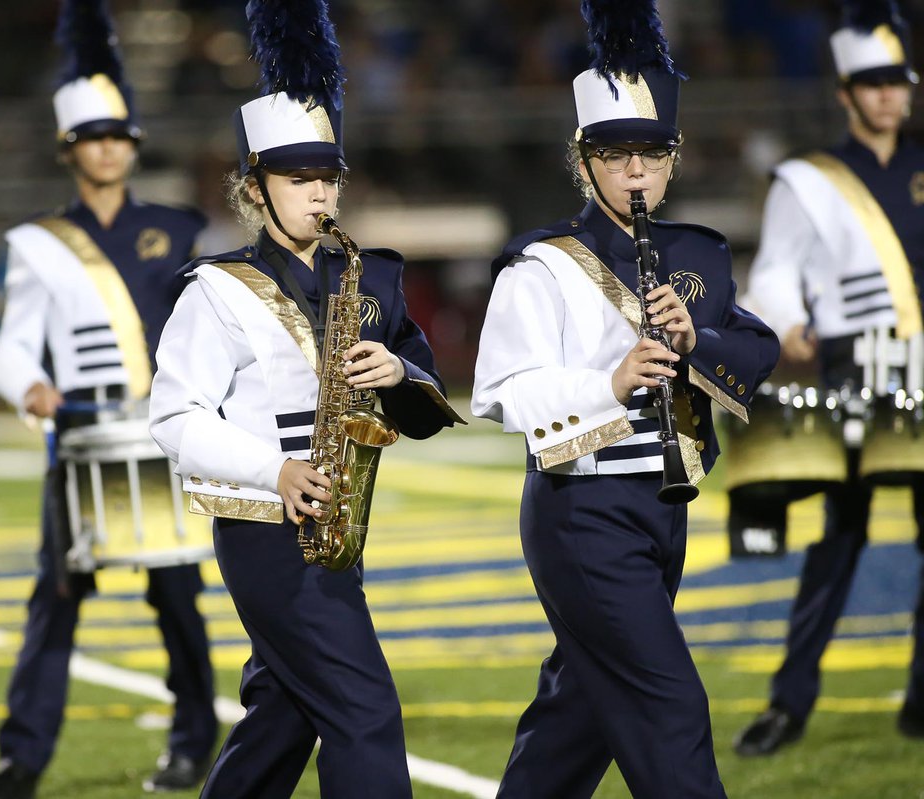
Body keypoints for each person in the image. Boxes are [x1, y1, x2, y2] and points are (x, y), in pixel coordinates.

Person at [147, 1, 463, 796]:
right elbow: (174, 416)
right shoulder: (217, 289)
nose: (319, 194)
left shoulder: (373, 275)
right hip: (265, 526)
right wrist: (275, 471)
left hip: (340, 520)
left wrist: (396, 371)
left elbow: (429, 397)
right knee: (363, 708)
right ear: (255, 188)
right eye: (298, 179)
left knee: (285, 713)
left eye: (328, 178)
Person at [471, 1, 779, 796]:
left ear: (673, 160)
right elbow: (505, 393)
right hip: (582, 511)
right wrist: (607, 384)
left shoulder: (697, 257)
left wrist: (695, 344)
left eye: (651, 153)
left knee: (574, 724)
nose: (635, 172)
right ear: (583, 160)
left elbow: (757, 349)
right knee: (669, 705)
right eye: (615, 155)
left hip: (663, 508)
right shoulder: (540, 265)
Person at [0, 1, 217, 796]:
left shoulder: (177, 228)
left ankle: (193, 740)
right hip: (82, 436)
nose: (108, 149)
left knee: (177, 596)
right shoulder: (37, 242)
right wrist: (30, 385)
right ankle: (22, 757)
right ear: (68, 149)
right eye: (92, 138)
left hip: (163, 432)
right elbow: (14, 343)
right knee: (56, 601)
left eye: (118, 137)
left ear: (133, 146)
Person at [733, 0, 924, 755]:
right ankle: (791, 701)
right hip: (851, 366)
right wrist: (786, 322)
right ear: (845, 92)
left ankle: (921, 695)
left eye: (897, 81)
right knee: (842, 533)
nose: (887, 95)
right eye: (871, 83)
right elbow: (774, 270)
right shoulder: (808, 179)